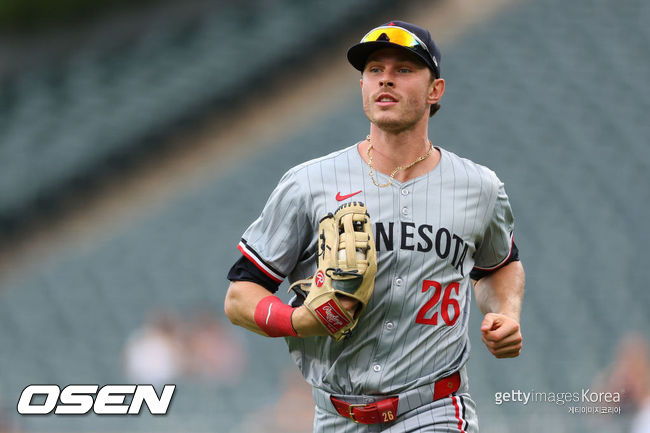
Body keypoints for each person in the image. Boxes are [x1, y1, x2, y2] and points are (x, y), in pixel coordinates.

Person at [225, 20, 525, 432]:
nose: (385, 79)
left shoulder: (480, 187)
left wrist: (505, 313)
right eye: (374, 70)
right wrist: (295, 322)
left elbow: (498, 266)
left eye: (404, 69)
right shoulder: (308, 183)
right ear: (363, 86)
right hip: (337, 416)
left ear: (435, 90)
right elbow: (240, 295)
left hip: (435, 407)